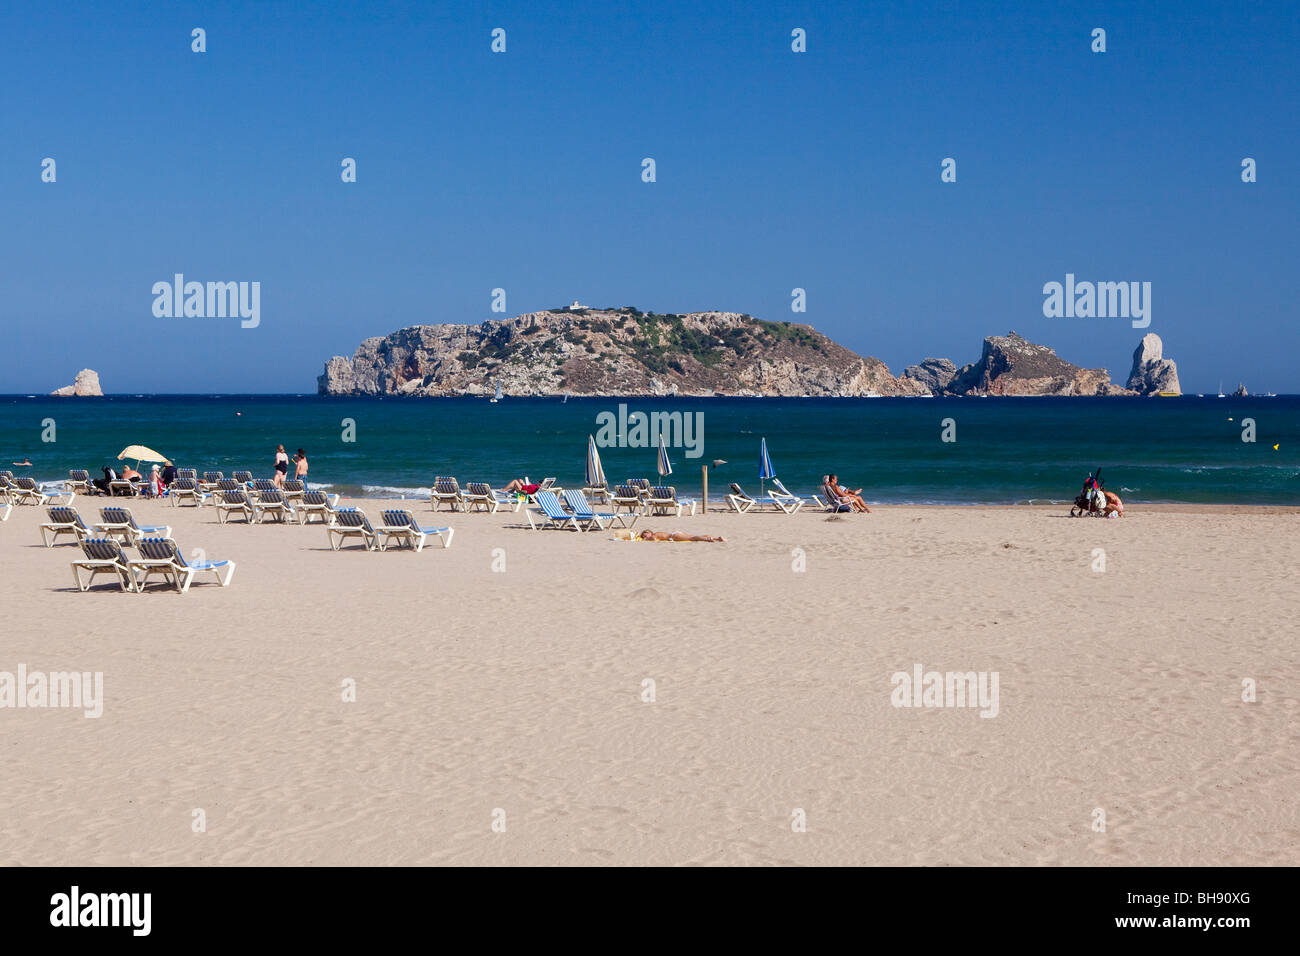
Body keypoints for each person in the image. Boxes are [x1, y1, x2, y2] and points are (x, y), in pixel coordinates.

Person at [636, 528, 725, 542]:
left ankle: (708, 539)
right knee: (693, 536)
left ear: (649, 532)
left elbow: (654, 539)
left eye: (645, 534)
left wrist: (644, 540)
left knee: (692, 538)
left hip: (674, 536)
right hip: (675, 534)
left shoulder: (654, 535)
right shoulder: (657, 533)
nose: (645, 536)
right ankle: (717, 538)